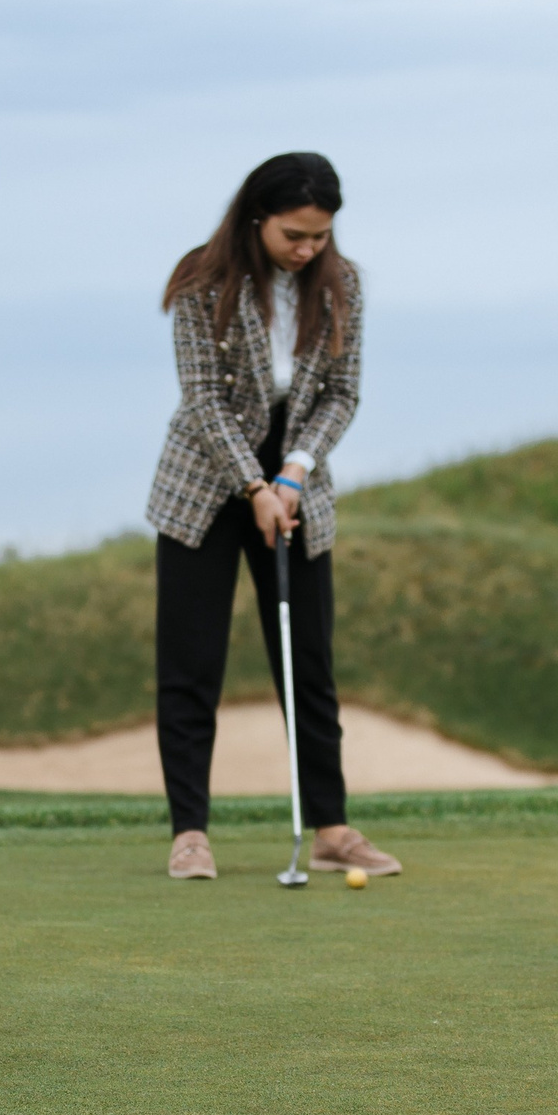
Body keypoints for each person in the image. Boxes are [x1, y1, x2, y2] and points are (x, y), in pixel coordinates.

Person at [148, 153, 401, 882]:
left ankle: (332, 827)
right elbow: (203, 401)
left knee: (310, 667)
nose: (308, 249)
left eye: (320, 236)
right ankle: (189, 833)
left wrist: (292, 474)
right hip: (204, 487)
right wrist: (253, 485)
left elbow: (340, 396)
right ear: (257, 218)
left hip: (297, 485)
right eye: (295, 234)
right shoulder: (203, 280)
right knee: (192, 668)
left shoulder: (341, 286)